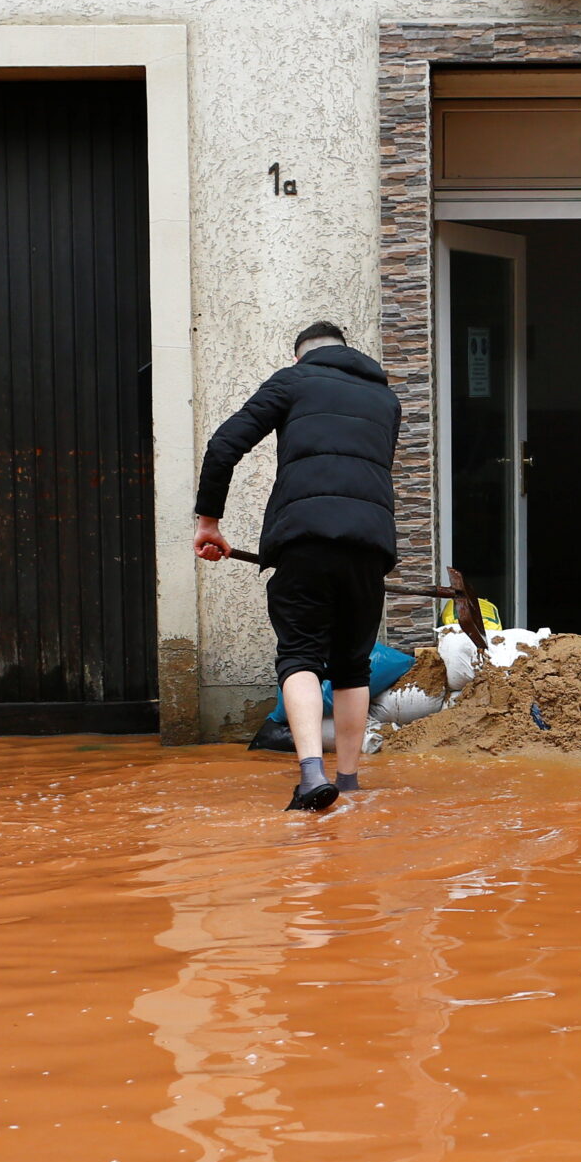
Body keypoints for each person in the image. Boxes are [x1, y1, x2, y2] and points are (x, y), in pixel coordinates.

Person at [193, 322, 401, 811]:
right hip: (370, 545)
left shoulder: (293, 379)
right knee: (353, 664)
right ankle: (348, 783)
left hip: (305, 537)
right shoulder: (385, 400)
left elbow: (224, 445)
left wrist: (209, 521)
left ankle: (312, 775)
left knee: (301, 654)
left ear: (301, 356)